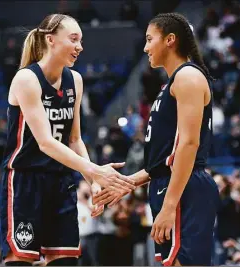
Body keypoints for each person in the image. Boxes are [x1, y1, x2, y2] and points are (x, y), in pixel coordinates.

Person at [0, 13, 135, 266]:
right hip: (26, 180)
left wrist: (93, 181)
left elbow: (74, 139)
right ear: (50, 40)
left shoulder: (76, 81)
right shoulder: (27, 79)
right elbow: (46, 142)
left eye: (81, 40)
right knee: (20, 260)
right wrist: (95, 170)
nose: (80, 47)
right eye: (74, 39)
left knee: (65, 260)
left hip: (61, 181)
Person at [94, 13, 220, 266]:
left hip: (183, 189)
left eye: (150, 39)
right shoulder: (171, 84)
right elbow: (167, 155)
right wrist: (129, 182)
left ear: (170, 40)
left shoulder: (187, 77)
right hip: (170, 185)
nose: (145, 47)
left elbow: (189, 144)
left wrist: (170, 205)